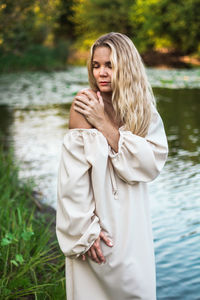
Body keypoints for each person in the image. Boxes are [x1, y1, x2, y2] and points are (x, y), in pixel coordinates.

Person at [56, 32, 168, 300]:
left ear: (126, 66)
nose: (101, 73)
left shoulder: (143, 111)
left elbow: (149, 165)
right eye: (96, 65)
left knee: (137, 291)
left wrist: (103, 122)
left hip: (133, 223)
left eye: (109, 65)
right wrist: (84, 232)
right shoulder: (84, 105)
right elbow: (72, 178)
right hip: (96, 224)